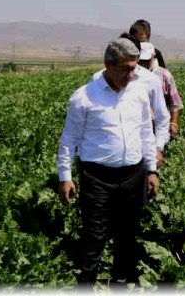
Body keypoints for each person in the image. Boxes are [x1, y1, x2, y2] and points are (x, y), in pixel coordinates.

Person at [57, 38, 160, 285]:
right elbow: (68, 140)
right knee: (94, 236)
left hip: (133, 175)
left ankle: (121, 283)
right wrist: (65, 177)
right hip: (97, 177)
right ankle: (86, 284)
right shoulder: (84, 98)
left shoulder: (139, 93)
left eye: (134, 67)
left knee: (127, 236)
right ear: (108, 65)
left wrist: (152, 170)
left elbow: (146, 132)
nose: (131, 74)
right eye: (126, 68)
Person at [95, 25, 170, 167]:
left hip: (141, 155)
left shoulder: (150, 80)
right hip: (105, 159)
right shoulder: (97, 79)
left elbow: (162, 117)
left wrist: (158, 148)